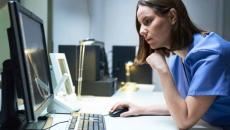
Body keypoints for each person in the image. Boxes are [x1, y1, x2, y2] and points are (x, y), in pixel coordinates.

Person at [110, 0, 230, 129]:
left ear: (172, 17)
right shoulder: (178, 58)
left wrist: (162, 70)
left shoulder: (211, 54)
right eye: (140, 24)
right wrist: (140, 109)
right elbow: (183, 106)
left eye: (147, 21)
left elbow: (184, 120)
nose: (141, 31)